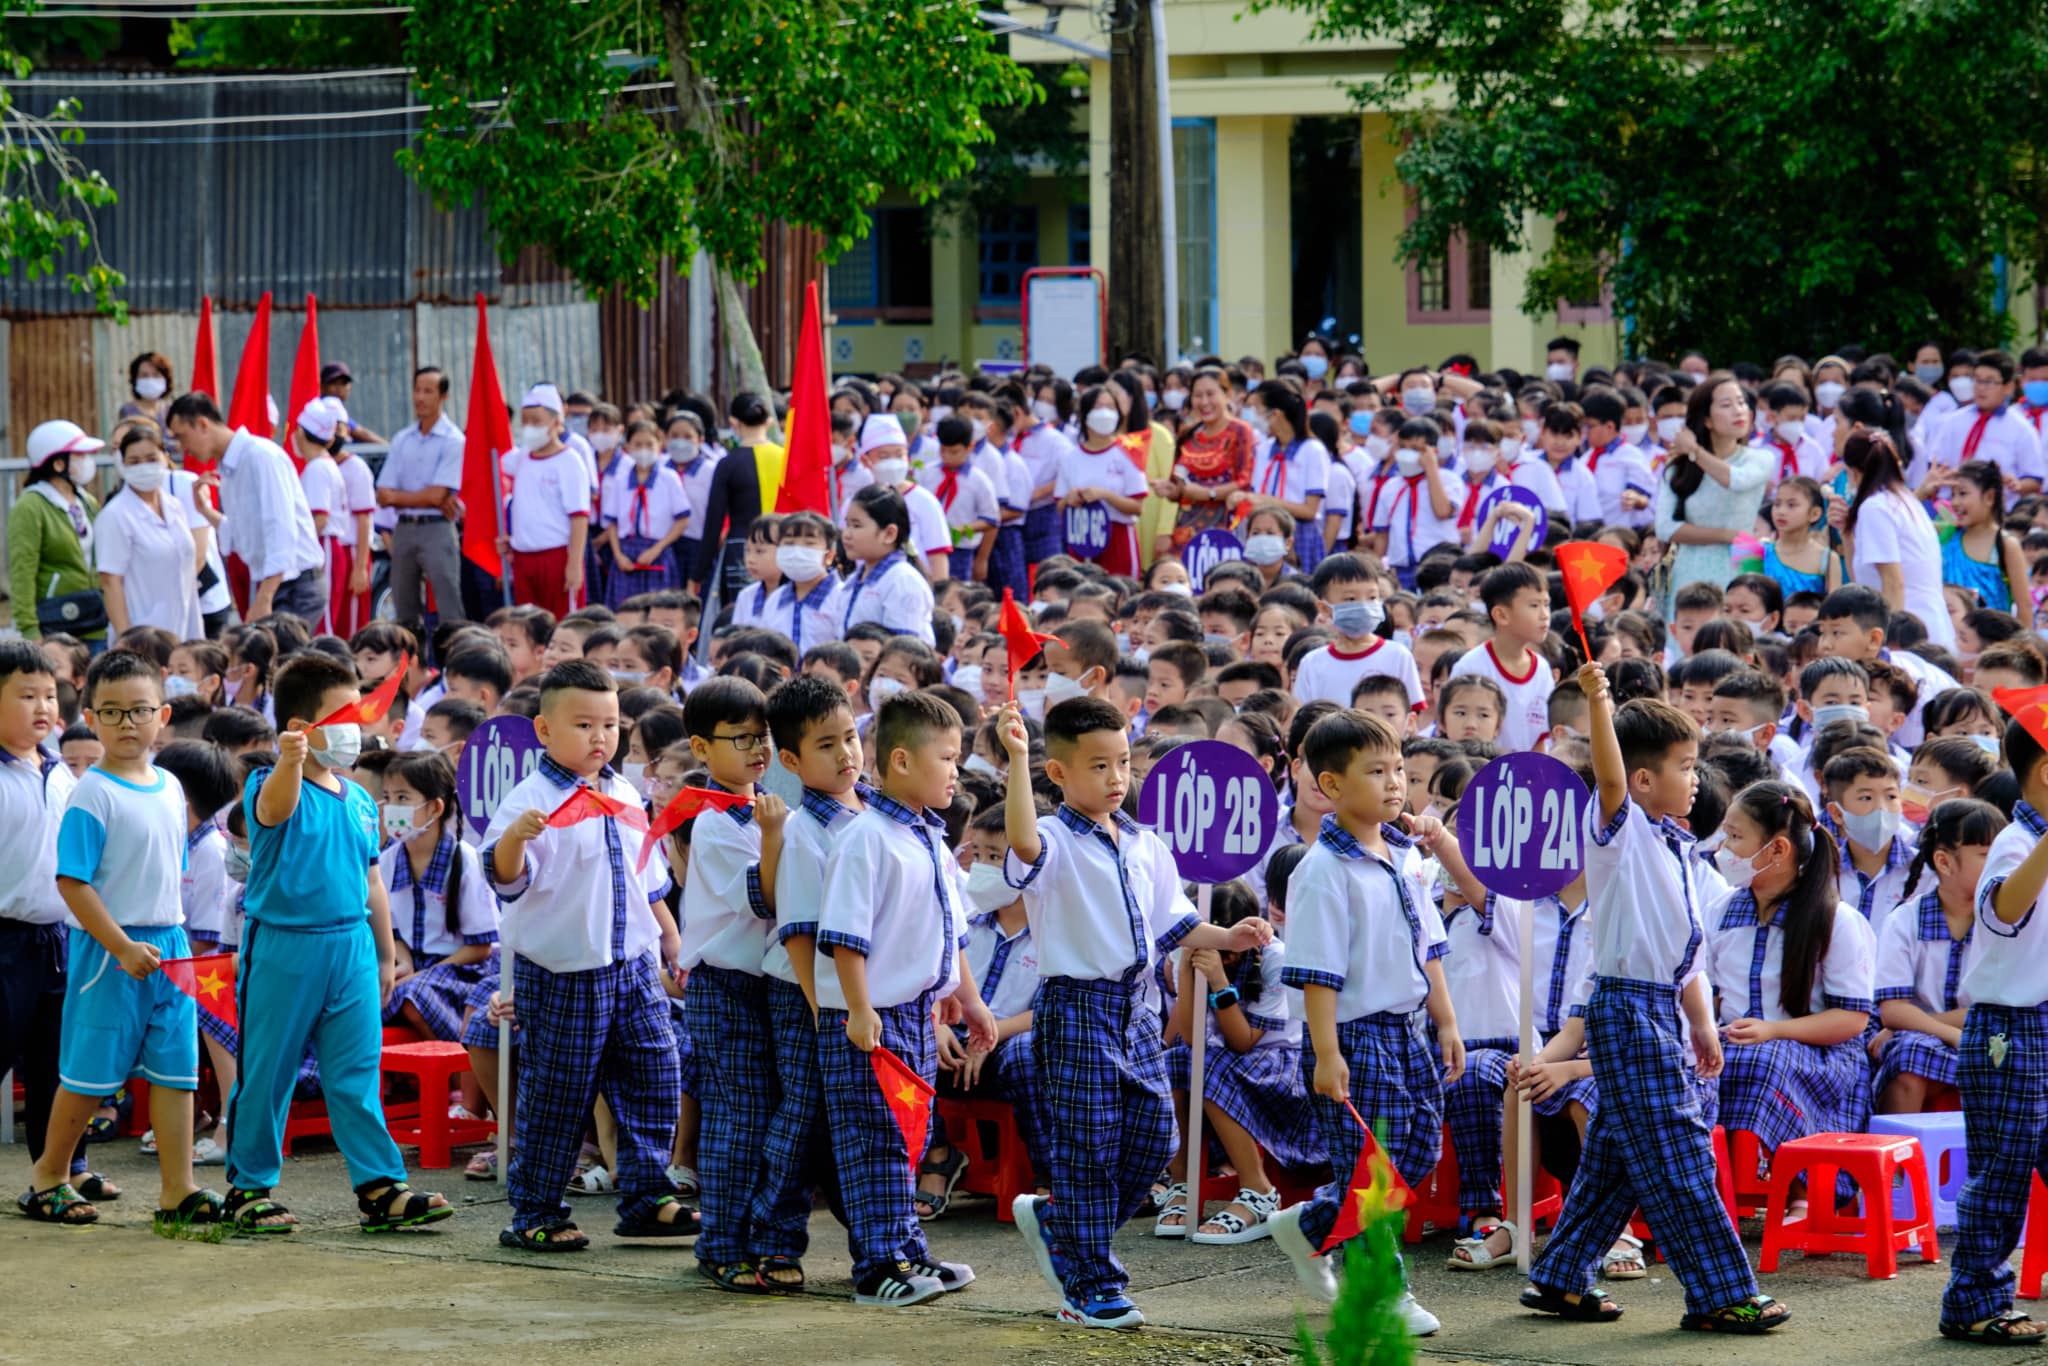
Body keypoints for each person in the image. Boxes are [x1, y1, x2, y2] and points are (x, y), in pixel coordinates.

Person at [1518, 662, 1789, 1333]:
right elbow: (1610, 778)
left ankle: (1559, 1276)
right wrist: (1600, 702)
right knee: (1676, 1151)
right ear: (1644, 781)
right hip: (1625, 1008)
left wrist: (1702, 1025)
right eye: (1683, 764)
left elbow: (1687, 957)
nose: (1695, 777)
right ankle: (1721, 1292)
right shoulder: (1622, 833)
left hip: (1658, 1010)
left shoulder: (1678, 852)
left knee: (1615, 1157)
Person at [1001, 696, 1272, 1328]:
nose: (1117, 777)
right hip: (1075, 1009)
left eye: (1123, 762)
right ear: (1059, 773)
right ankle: (1092, 1283)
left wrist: (1228, 938)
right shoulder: (1055, 841)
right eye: (1098, 766)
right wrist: (1016, 759)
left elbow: (1175, 923)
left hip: (1137, 1007)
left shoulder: (1146, 843)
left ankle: (1063, 1224)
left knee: (1157, 1138)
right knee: (1087, 1149)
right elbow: (1021, 838)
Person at [225, 652, 452, 1235]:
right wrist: (290, 761)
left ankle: (380, 1185)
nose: (355, 726)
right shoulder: (270, 784)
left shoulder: (355, 797)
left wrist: (383, 952)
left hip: (351, 947)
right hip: (284, 947)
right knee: (268, 1070)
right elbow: (274, 809)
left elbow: (371, 879)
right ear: (302, 727)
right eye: (343, 713)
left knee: (355, 1070)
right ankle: (249, 1187)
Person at [1262, 709, 1470, 1336]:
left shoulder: (1406, 856)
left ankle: (1314, 1223)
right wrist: (1326, 1053)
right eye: (1375, 771)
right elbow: (1318, 974)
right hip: (1354, 1035)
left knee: (1414, 1150)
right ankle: (1382, 1293)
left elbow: (1428, 947)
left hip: (1408, 1029)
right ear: (1329, 786)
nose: (1393, 783)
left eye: (1398, 770)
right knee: (1371, 1166)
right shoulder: (1322, 871)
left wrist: (1447, 1023)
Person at [482, 659, 694, 1250]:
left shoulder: (624, 790)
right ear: (545, 731)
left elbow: (644, 875)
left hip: (633, 965)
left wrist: (670, 935)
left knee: (655, 1072)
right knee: (559, 1090)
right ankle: (535, 1211)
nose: (600, 737)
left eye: (609, 724)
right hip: (566, 970)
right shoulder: (531, 799)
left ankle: (648, 1196)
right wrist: (515, 841)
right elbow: (506, 880)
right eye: (583, 725)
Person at [25, 650, 216, 1228]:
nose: (127, 723)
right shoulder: (92, 794)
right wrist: (121, 946)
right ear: (91, 716)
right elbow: (72, 884)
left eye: (139, 711)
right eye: (112, 713)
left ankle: (178, 1188)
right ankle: (48, 1177)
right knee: (89, 1074)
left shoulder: (169, 786)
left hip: (172, 947)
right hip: (108, 951)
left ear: (163, 713)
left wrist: (162, 940)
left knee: (176, 1071)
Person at [817, 691, 994, 1306]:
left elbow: (954, 929)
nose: (956, 770)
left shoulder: (929, 838)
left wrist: (966, 998)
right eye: (946, 757)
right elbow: (844, 936)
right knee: (874, 1142)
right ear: (898, 761)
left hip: (916, 1014)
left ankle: (907, 1249)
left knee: (909, 1138)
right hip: (871, 1017)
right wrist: (860, 1009)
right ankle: (876, 1267)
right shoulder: (866, 837)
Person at [1703, 781, 1876, 1193]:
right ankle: (1714, 1183)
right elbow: (1707, 993)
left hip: (1819, 1055)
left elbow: (1852, 1019)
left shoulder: (1836, 920)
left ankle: (1802, 1187)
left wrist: (1774, 1030)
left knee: (1763, 1060)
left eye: (1735, 837)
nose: (1723, 848)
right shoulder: (1721, 910)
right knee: (1695, 1066)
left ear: (1777, 850)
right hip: (1736, 1041)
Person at [1938, 708, 2048, 1343]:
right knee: (2002, 1172)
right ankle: (1975, 1301)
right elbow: (2006, 906)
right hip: (2010, 1029)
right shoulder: (2013, 840)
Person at [678, 676, 790, 1290]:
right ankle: (722, 1244)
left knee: (760, 1115)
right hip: (724, 988)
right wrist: (775, 837)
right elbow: (766, 896)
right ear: (702, 748)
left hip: (762, 987)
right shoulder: (717, 822)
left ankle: (755, 1236)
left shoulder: (761, 804)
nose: (757, 749)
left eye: (764, 736)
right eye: (741, 738)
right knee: (736, 1118)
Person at [759, 676, 867, 1278]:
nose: (846, 753)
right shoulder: (805, 830)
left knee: (860, 1122)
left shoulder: (878, 813)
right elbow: (797, 931)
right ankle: (777, 1239)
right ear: (791, 761)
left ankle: (880, 1243)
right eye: (827, 745)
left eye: (851, 737)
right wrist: (823, 1007)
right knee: (802, 1117)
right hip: (809, 997)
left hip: (861, 997)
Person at [0, 643, 102, 1219]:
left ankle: (59, 1174)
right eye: (25, 695)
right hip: (3, 939)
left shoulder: (59, 772)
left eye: (47, 695)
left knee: (58, 1064)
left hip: (56, 939)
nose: (42, 707)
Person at [1872, 798, 2001, 1114]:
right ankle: (1899, 1161)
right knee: (1910, 1059)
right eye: (1987, 855)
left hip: (1990, 1034)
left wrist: (1915, 1024)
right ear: (1944, 862)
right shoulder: (1906, 920)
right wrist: (1948, 1033)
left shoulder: (2004, 920)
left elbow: (1994, 1010)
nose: (2003, 864)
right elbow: (1893, 1011)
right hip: (1923, 1042)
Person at [167, 393, 327, 626]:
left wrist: (265, 597)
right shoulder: (230, 465)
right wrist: (206, 512)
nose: (183, 448)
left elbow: (281, 529)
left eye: (183, 437)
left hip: (293, 586)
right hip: (272, 584)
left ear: (203, 424)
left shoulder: (261, 456)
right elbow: (245, 533)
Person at [378, 753, 499, 1045]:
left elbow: (480, 948)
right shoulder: (388, 860)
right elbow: (393, 933)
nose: (391, 807)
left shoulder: (466, 860)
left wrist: (422, 973)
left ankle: (458, 1071)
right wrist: (403, 962)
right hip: (415, 967)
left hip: (460, 971)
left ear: (434, 807)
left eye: (403, 798)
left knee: (413, 995)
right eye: (388, 797)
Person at [1655, 375, 1772, 611]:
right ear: (1707, 420)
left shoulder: (1760, 458)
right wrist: (1726, 535)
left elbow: (1736, 480)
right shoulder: (1680, 469)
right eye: (1726, 405)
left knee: (1740, 632)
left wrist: (1695, 451)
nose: (1739, 411)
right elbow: (1665, 527)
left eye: (1741, 403)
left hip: (1744, 557)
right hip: (1692, 563)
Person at [1835, 424, 1954, 649]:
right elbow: (1863, 580)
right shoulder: (1905, 501)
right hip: (1928, 624)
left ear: (1853, 472)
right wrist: (1846, 533)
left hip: (1908, 633)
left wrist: (1890, 645)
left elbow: (1893, 582)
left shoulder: (1876, 507)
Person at [375, 366, 468, 632]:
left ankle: (454, 665)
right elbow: (382, 493)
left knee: (449, 605)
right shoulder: (403, 439)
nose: (420, 397)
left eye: (428, 391)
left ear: (443, 396)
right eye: (417, 390)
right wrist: (424, 497)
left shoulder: (453, 440)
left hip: (437, 528)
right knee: (404, 606)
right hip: (404, 528)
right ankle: (411, 667)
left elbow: (438, 495)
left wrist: (399, 497)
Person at [95, 426, 203, 641]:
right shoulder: (115, 515)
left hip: (185, 627)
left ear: (166, 457)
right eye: (134, 461)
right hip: (142, 635)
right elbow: (110, 583)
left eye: (151, 458)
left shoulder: (174, 506)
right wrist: (126, 639)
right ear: (122, 465)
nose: (143, 467)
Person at [499, 384, 591, 617]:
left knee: (562, 627)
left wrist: (574, 564)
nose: (529, 427)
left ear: (556, 422)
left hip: (557, 558)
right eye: (525, 421)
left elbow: (579, 516)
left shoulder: (570, 461)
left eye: (536, 421)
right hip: (523, 560)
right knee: (528, 628)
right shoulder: (521, 458)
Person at [9, 420, 104, 645]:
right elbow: (22, 570)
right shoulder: (31, 505)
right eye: (79, 456)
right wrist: (29, 629)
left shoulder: (86, 500)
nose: (87, 462)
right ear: (58, 463)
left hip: (94, 620)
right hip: (55, 624)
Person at [1291, 553, 1421, 710]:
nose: (1364, 606)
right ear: (1324, 608)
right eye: (1351, 599)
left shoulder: (1398, 655)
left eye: (1372, 597)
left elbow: (1413, 712)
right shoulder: (1312, 664)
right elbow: (1303, 718)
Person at [1448, 562, 1555, 752]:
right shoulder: (1471, 667)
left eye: (1546, 604)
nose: (1544, 615)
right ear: (1501, 615)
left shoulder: (1542, 669)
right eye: (1534, 605)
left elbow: (1540, 740)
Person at [689, 392, 781, 608]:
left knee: (742, 615)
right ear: (768, 422)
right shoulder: (785, 457)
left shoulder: (728, 464)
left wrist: (697, 575)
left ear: (733, 422)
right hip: (782, 547)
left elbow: (713, 523)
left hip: (743, 549)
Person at [1157, 368, 1254, 556]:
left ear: (1226, 395)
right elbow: (1178, 482)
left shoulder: (1240, 431)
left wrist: (1208, 493)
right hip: (1185, 529)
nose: (1204, 402)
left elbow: (1245, 481)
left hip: (1225, 526)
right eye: (1197, 396)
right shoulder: (1188, 433)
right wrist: (1171, 490)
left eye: (1210, 394)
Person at [829, 486, 936, 646]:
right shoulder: (853, 581)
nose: (846, 534)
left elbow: (902, 653)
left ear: (889, 534)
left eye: (857, 526)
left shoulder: (902, 581)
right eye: (847, 525)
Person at [601, 420, 691, 608]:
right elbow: (612, 523)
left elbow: (682, 520)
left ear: (660, 445)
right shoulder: (621, 480)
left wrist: (656, 549)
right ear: (627, 447)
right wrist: (618, 556)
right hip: (626, 553)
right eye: (638, 445)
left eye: (649, 444)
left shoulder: (668, 478)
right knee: (625, 610)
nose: (643, 450)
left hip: (657, 551)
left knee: (658, 610)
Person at [1245, 381, 1329, 572]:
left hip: (1299, 534)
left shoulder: (1312, 450)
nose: (1252, 415)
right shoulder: (1264, 448)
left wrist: (1268, 502)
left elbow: (1309, 509)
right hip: (1265, 536)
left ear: (1275, 414)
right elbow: (1257, 493)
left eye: (1256, 409)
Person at [1940, 460, 2028, 615]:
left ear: (1989, 497)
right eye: (1952, 495)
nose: (1954, 502)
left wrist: (2022, 640)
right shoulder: (1947, 536)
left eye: (1962, 493)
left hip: (1993, 637)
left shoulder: (2005, 544)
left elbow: (2024, 606)